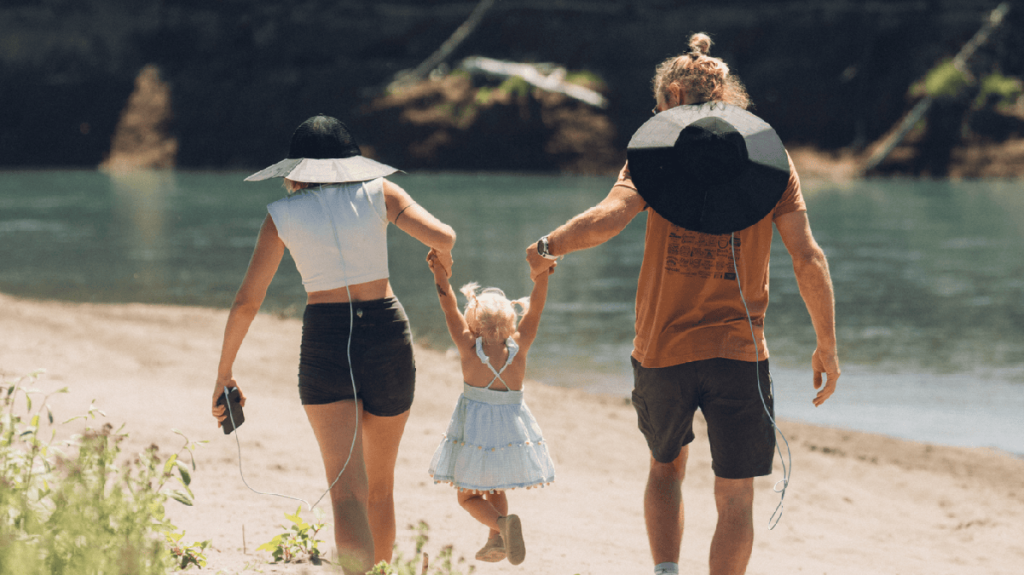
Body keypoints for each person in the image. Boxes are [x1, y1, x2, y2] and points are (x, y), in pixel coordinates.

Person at [525, 33, 840, 575]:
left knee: (666, 469)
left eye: (658, 105)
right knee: (736, 496)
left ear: (672, 94)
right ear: (727, 95)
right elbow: (807, 257)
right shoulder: (769, 157)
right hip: (740, 352)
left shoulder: (654, 153)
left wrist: (548, 247)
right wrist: (827, 346)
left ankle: (666, 571)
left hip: (661, 348)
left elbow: (609, 218)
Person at [212, 115, 456, 574]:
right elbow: (443, 237)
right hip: (386, 332)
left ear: (296, 169)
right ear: (350, 162)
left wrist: (224, 373)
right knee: (380, 488)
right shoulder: (382, 193)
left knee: (346, 490)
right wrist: (439, 258)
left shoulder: (282, 216)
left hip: (326, 337)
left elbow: (247, 301)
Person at [425, 248, 556, 566]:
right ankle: (496, 540)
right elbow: (536, 309)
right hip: (509, 432)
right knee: (495, 485)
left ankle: (501, 525)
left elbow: (448, 305)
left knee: (468, 496)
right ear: (511, 321)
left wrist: (439, 272)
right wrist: (541, 278)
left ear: (474, 322)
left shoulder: (468, 346)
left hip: (476, 432)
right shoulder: (520, 346)